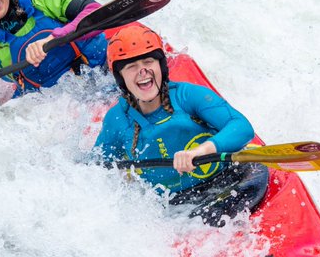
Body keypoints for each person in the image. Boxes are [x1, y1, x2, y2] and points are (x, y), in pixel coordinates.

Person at [94, 24, 269, 226]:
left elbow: (242, 127)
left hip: (227, 178)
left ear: (161, 67)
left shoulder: (187, 96)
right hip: (176, 203)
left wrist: (201, 151)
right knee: (194, 221)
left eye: (148, 62)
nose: (142, 71)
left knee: (257, 170)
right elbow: (96, 167)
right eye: (131, 66)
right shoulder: (117, 120)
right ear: (121, 78)